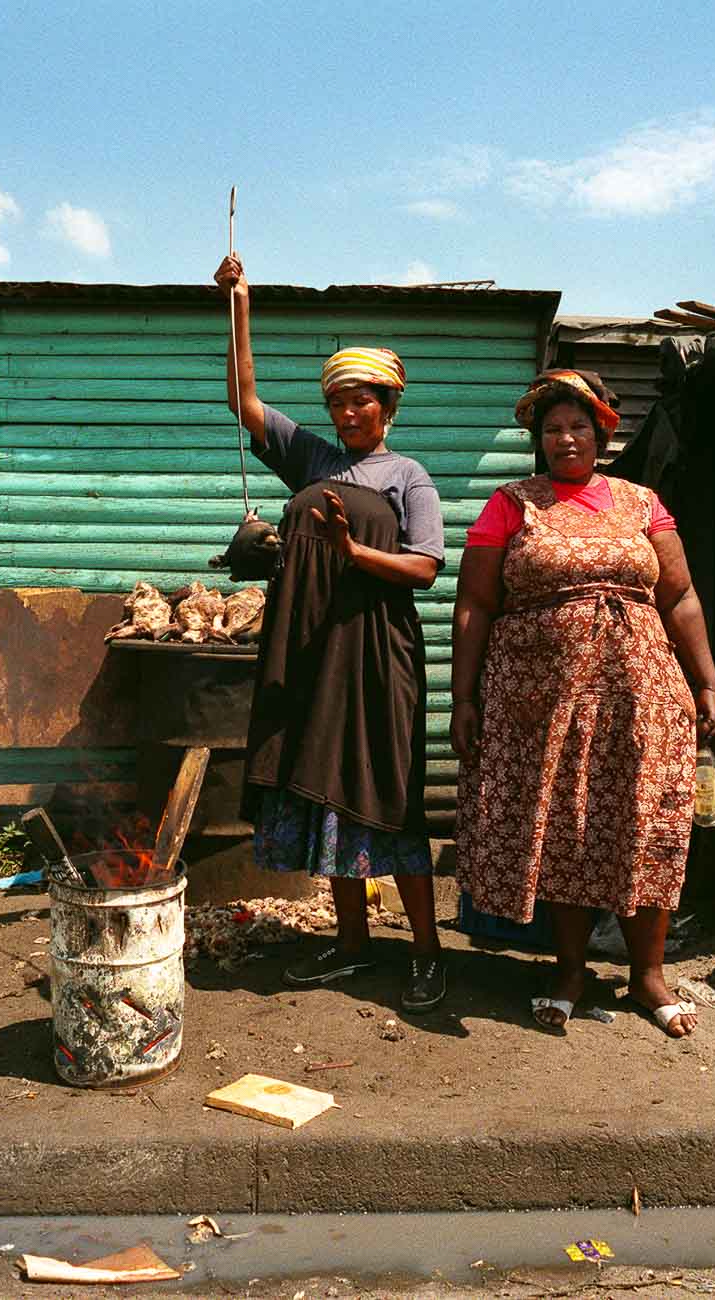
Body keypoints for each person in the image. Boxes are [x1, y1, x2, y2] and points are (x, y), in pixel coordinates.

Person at [451, 369, 715, 1037]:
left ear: (601, 431)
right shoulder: (511, 504)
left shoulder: (641, 503)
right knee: (566, 827)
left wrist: (706, 680)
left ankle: (647, 976)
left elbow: (680, 595)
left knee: (643, 821)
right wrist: (462, 698)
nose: (564, 439)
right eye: (551, 430)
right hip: (537, 699)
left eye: (577, 426)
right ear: (537, 440)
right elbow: (475, 603)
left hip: (641, 694)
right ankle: (569, 968)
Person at [215, 253, 448, 1012]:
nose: (349, 415)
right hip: (320, 652)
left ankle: (424, 953)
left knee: (388, 796)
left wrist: (354, 554)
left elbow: (422, 569)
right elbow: (243, 402)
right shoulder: (314, 460)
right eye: (340, 403)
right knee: (325, 796)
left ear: (388, 406)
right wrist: (240, 304)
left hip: (380, 656)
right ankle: (350, 944)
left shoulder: (407, 476)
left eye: (363, 403)